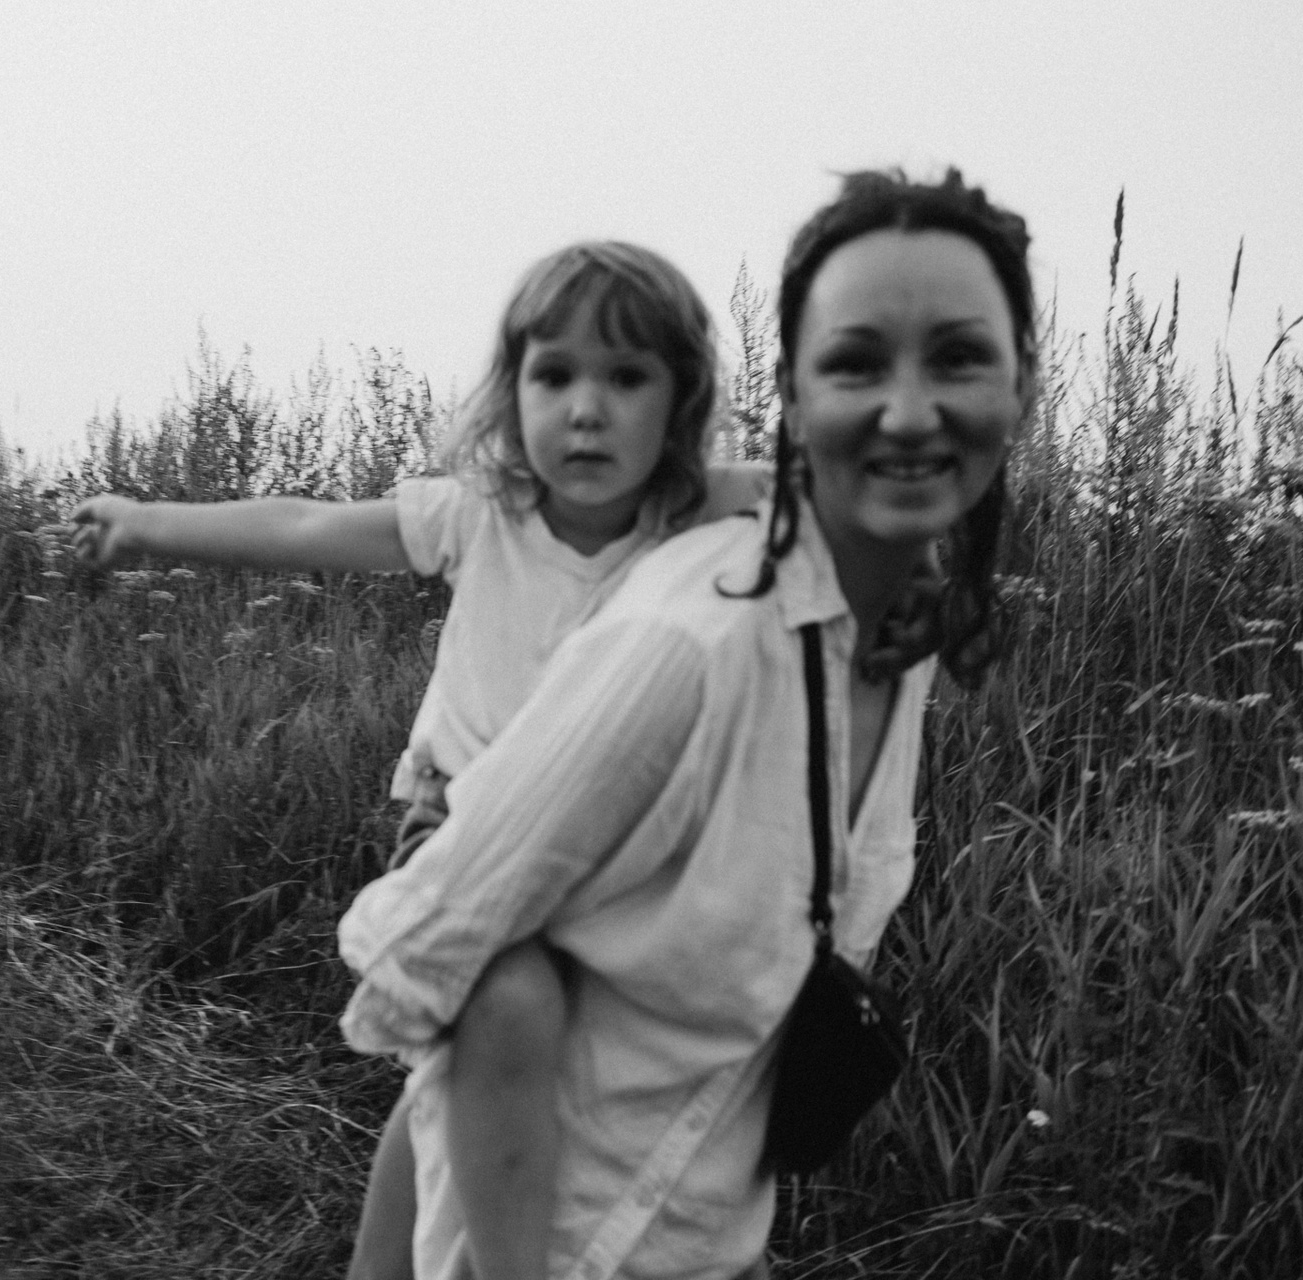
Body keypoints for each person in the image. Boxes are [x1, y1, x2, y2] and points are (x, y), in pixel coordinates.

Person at [337, 167, 1036, 1280]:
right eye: (857, 363)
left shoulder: (890, 640)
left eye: (957, 358)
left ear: (1020, 384)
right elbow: (431, 938)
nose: (909, 411)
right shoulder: (691, 641)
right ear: (795, 395)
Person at [60, 241, 770, 1280]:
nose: (587, 409)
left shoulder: (691, 516)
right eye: (555, 375)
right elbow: (305, 524)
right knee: (506, 1007)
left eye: (628, 378)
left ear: (681, 400)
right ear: (514, 391)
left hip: (601, 843)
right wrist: (143, 524)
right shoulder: (483, 513)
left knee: (464, 1075)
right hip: (459, 830)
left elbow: (832, 512)